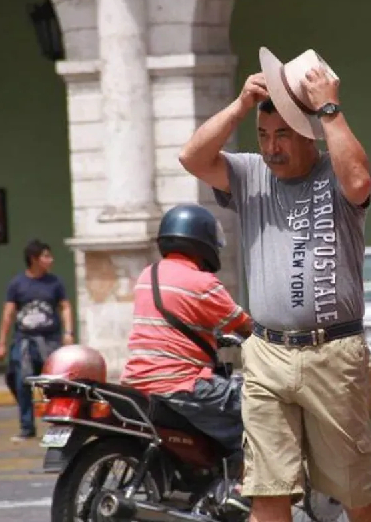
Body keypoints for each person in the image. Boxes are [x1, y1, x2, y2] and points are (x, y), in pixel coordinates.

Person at [179, 47, 371, 522]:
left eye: (283, 135)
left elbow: (358, 180)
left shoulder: (333, 170)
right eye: (263, 135)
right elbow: (192, 157)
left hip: (333, 354)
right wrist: (239, 105)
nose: (271, 147)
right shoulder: (250, 173)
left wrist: (329, 109)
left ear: (309, 134)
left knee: (357, 492)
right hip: (268, 353)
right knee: (267, 492)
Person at [120, 204, 252, 512]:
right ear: (203, 242)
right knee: (262, 406)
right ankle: (241, 488)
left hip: (138, 384)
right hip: (181, 384)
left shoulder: (147, 275)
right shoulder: (203, 285)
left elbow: (175, 323)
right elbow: (246, 327)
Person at [0, 239, 74, 442]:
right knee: (20, 381)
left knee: (54, 385)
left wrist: (69, 333)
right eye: (46, 256)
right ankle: (27, 426)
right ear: (34, 259)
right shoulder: (17, 284)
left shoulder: (54, 283)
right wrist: (2, 343)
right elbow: (8, 313)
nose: (51, 260)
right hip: (24, 341)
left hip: (50, 341)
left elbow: (65, 307)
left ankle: (59, 426)